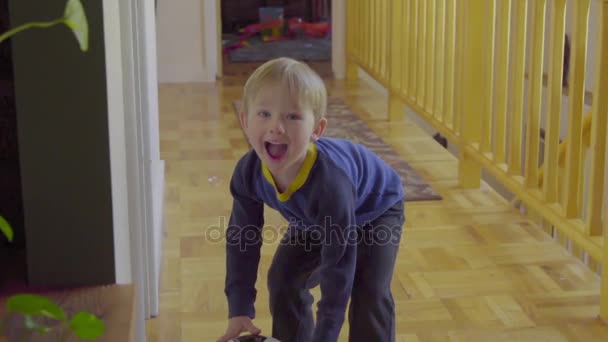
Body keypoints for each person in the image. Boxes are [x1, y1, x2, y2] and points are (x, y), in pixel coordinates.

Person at [217, 57, 405, 342]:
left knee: (368, 291)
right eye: (264, 113)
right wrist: (239, 307)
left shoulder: (330, 185)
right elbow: (242, 238)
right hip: (316, 219)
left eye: (292, 117)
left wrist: (325, 336)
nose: (276, 127)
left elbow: (337, 273)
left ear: (317, 129)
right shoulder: (248, 173)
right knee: (284, 280)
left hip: (377, 209)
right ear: (244, 120)